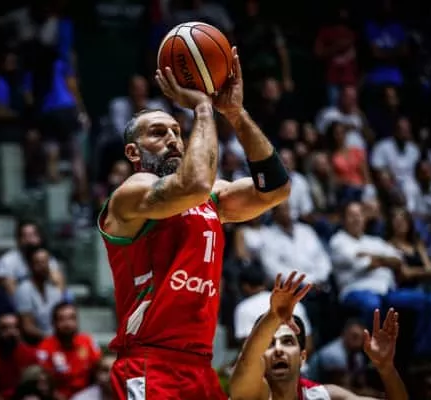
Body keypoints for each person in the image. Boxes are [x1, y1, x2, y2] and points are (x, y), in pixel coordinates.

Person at [98, 47, 291, 400]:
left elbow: (276, 189)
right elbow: (196, 183)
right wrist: (203, 107)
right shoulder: (131, 193)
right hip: (150, 362)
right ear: (133, 152)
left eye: (177, 130)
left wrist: (235, 114)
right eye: (158, 133)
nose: (173, 139)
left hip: (200, 365)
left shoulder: (212, 197)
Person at [229, 271, 409, 400]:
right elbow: (246, 363)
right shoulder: (252, 394)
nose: (278, 350)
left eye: (287, 342)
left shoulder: (322, 395)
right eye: (269, 344)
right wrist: (273, 316)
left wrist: (386, 369)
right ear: (259, 359)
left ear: (303, 357)